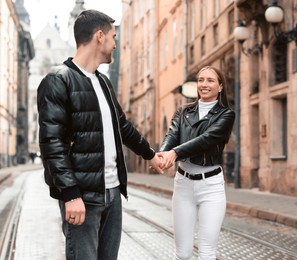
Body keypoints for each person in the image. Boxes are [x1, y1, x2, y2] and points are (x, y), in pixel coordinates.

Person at [37, 10, 164, 260]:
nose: (115, 43)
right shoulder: (57, 81)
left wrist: (150, 155)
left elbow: (122, 127)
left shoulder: (103, 82)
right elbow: (52, 145)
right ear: (99, 36)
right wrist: (70, 194)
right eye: (113, 37)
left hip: (112, 194)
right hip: (82, 197)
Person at [158, 66, 235, 259]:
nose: (204, 84)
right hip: (183, 185)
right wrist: (162, 154)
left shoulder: (226, 115)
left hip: (211, 186)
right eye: (200, 80)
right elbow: (172, 135)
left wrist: (174, 153)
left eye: (210, 80)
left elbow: (207, 139)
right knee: (182, 254)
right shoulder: (183, 111)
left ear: (220, 86)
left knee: (207, 252)